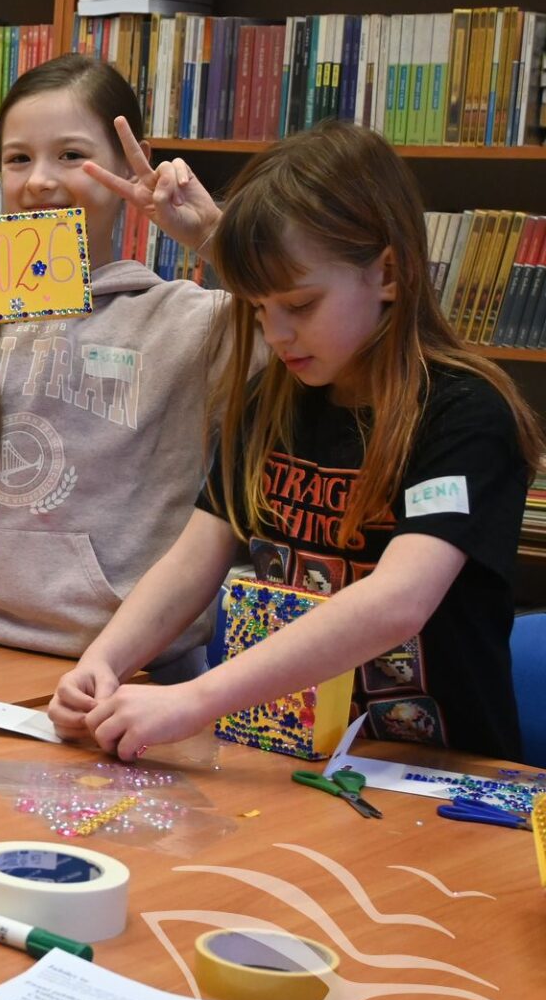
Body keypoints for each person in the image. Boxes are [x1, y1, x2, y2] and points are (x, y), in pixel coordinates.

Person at [51, 120, 541, 762]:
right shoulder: (271, 400)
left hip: (436, 772)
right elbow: (191, 563)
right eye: (258, 309)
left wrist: (196, 699)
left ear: (388, 274)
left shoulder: (464, 414)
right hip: (289, 759)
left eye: (301, 306)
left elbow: (398, 602)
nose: (277, 334)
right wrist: (103, 661)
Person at [0, 53, 229, 676]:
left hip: (129, 670)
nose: (40, 181)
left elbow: (315, 337)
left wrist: (214, 236)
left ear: (131, 165)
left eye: (72, 155)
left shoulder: (191, 322)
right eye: (18, 158)